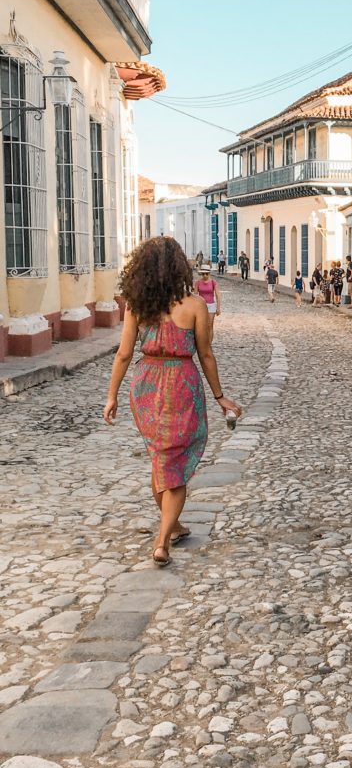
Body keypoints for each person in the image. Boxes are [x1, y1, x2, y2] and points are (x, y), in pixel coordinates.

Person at [103, 236, 242, 567]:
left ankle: (173, 525)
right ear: (181, 267)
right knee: (174, 463)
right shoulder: (195, 306)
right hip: (182, 385)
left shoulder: (138, 305)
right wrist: (220, 397)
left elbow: (123, 354)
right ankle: (161, 542)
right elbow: (206, 355)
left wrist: (112, 396)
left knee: (161, 460)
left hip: (146, 386)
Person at [196, 265, 221, 341]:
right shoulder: (198, 283)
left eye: (206, 274)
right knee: (201, 325)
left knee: (210, 325)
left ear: (209, 273)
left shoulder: (213, 282)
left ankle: (209, 343)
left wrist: (218, 308)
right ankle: (202, 342)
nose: (205, 275)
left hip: (211, 305)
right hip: (201, 306)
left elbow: (217, 295)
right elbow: (195, 295)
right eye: (203, 274)